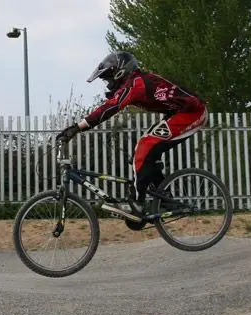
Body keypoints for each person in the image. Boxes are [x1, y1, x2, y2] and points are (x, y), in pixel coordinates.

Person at [55, 51, 208, 217]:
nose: (108, 84)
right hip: (178, 113)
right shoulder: (136, 81)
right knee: (143, 154)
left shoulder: (136, 84)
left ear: (120, 72)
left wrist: (77, 127)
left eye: (109, 78)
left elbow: (110, 108)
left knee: (144, 147)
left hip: (192, 113)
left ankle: (137, 204)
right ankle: (166, 200)